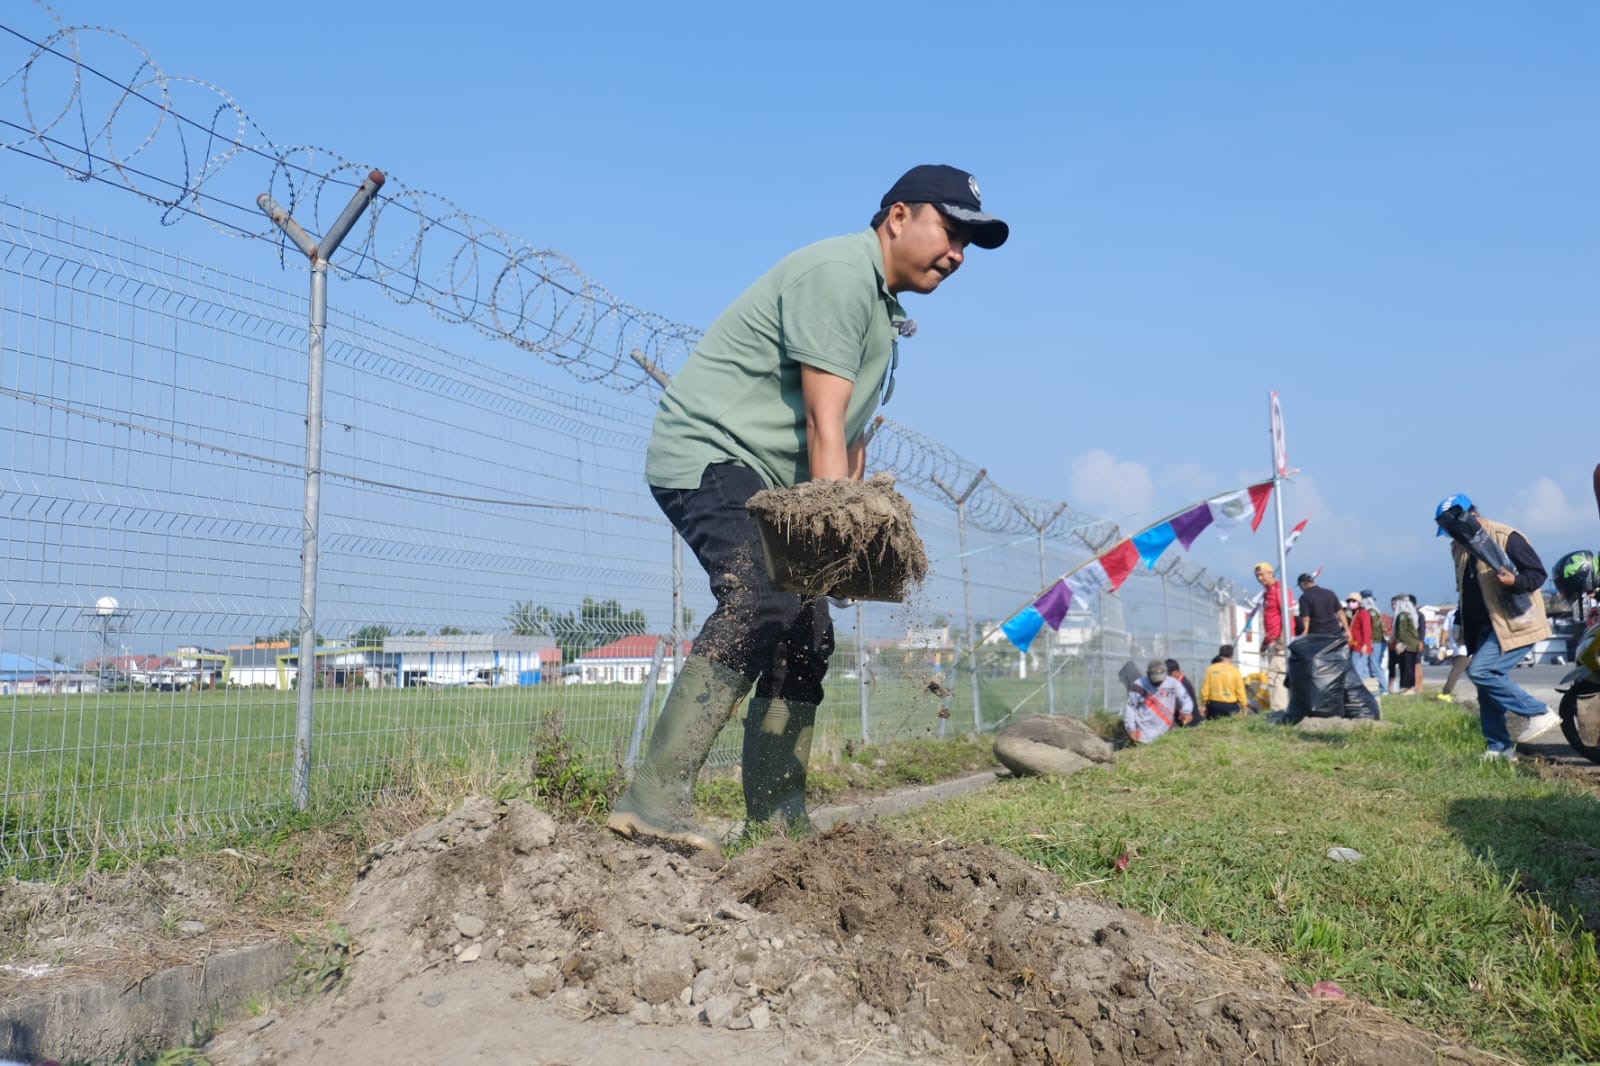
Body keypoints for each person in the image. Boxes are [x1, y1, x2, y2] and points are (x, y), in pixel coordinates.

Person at [605, 165, 1009, 852]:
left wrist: (844, 558)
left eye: (969, 243)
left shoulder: (884, 314)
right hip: (713, 455)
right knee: (760, 596)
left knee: (807, 629)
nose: (958, 254)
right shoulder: (840, 275)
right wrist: (832, 537)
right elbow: (824, 422)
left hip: (775, 486)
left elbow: (850, 439)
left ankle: (778, 823)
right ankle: (653, 800)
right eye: (950, 231)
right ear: (899, 217)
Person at [1435, 493, 1560, 760]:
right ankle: (1499, 748)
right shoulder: (1460, 548)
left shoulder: (1507, 537)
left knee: (1482, 672)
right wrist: (1459, 623)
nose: (1452, 536)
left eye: (1453, 529)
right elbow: (1465, 589)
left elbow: (1537, 574)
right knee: (1486, 689)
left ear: (1470, 517)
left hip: (1514, 623)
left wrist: (1515, 582)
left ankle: (1538, 712)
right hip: (1483, 627)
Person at [1254, 562, 1294, 712]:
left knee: (1278, 675)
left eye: (1262, 574)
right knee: (1272, 675)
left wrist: (1283, 638)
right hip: (1272, 640)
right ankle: (1278, 708)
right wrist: (1265, 642)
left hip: (1280, 640)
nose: (1260, 578)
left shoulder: (1280, 590)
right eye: (1257, 576)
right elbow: (1270, 619)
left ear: (1271, 573)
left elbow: (1287, 614)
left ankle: (1280, 710)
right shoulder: (1267, 593)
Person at [1124, 659, 1194, 744]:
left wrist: (1187, 711)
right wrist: (1131, 728)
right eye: (1155, 679)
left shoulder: (1173, 683)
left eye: (1161, 679)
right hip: (1144, 735)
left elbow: (1186, 699)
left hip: (1167, 734)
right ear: (1148, 674)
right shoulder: (1139, 685)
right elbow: (1131, 708)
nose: (1158, 682)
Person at [1296, 572, 1349, 640]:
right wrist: (1347, 630)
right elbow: (1340, 613)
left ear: (1302, 585)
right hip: (1335, 632)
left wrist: (1304, 634)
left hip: (1317, 635)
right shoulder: (1330, 593)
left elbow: (1306, 619)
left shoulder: (1304, 598)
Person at [1389, 594, 1425, 694]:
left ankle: (1410, 688)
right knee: (1409, 667)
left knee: (1407, 668)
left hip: (1407, 646)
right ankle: (1409, 688)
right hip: (1412, 645)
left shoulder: (1403, 615)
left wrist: (1400, 644)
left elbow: (1402, 632)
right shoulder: (1410, 614)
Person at [1201, 644, 1247, 719]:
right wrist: (1244, 708)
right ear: (1232, 656)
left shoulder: (1211, 669)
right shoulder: (1235, 671)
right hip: (1230, 707)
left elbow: (1205, 689)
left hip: (1213, 706)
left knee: (1213, 725)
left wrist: (1203, 705)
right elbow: (1240, 691)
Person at [1436, 604, 1471, 703]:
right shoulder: (1470, 611)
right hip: (1465, 649)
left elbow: (1444, 631)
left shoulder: (1451, 613)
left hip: (1458, 649)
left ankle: (1486, 694)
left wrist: (1442, 647)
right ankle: (1445, 694)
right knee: (1457, 672)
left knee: (1471, 673)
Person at [1361, 590, 1390, 694]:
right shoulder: (1370, 611)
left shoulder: (1371, 611)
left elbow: (1372, 627)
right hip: (1374, 641)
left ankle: (1384, 688)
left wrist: (1369, 640)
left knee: (1374, 666)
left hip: (1375, 641)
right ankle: (1373, 688)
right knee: (1369, 665)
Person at [1345, 592, 1374, 682]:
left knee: (1358, 671)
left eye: (1354, 601)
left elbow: (1367, 630)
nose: (1351, 603)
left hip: (1361, 647)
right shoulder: (1355, 614)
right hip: (1355, 645)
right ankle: (1369, 688)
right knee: (1363, 672)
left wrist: (1365, 645)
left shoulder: (1363, 613)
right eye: (1349, 601)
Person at [1165, 658, 1200, 726]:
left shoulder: (1182, 684)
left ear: (1177, 672)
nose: (1167, 678)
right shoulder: (1180, 682)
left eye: (1169, 675)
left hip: (1190, 722)